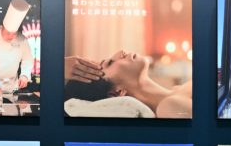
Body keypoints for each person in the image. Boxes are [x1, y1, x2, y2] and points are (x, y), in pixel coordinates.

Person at [64, 50, 192, 118]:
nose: (120, 52)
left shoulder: (179, 91)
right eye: (110, 63)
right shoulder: (169, 107)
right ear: (116, 92)